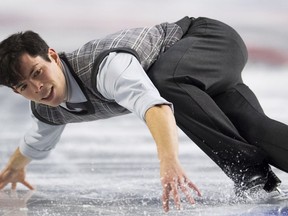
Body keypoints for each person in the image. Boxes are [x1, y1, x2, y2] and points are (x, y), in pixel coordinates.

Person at [0, 16, 287, 212]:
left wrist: (168, 160)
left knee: (165, 82)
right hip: (197, 76)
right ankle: (254, 172)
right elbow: (38, 139)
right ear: (16, 91)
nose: (38, 88)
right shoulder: (48, 109)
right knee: (253, 131)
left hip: (211, 40)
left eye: (38, 73)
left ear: (52, 55)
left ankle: (250, 174)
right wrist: (15, 165)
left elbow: (155, 106)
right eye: (24, 86)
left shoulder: (106, 67)